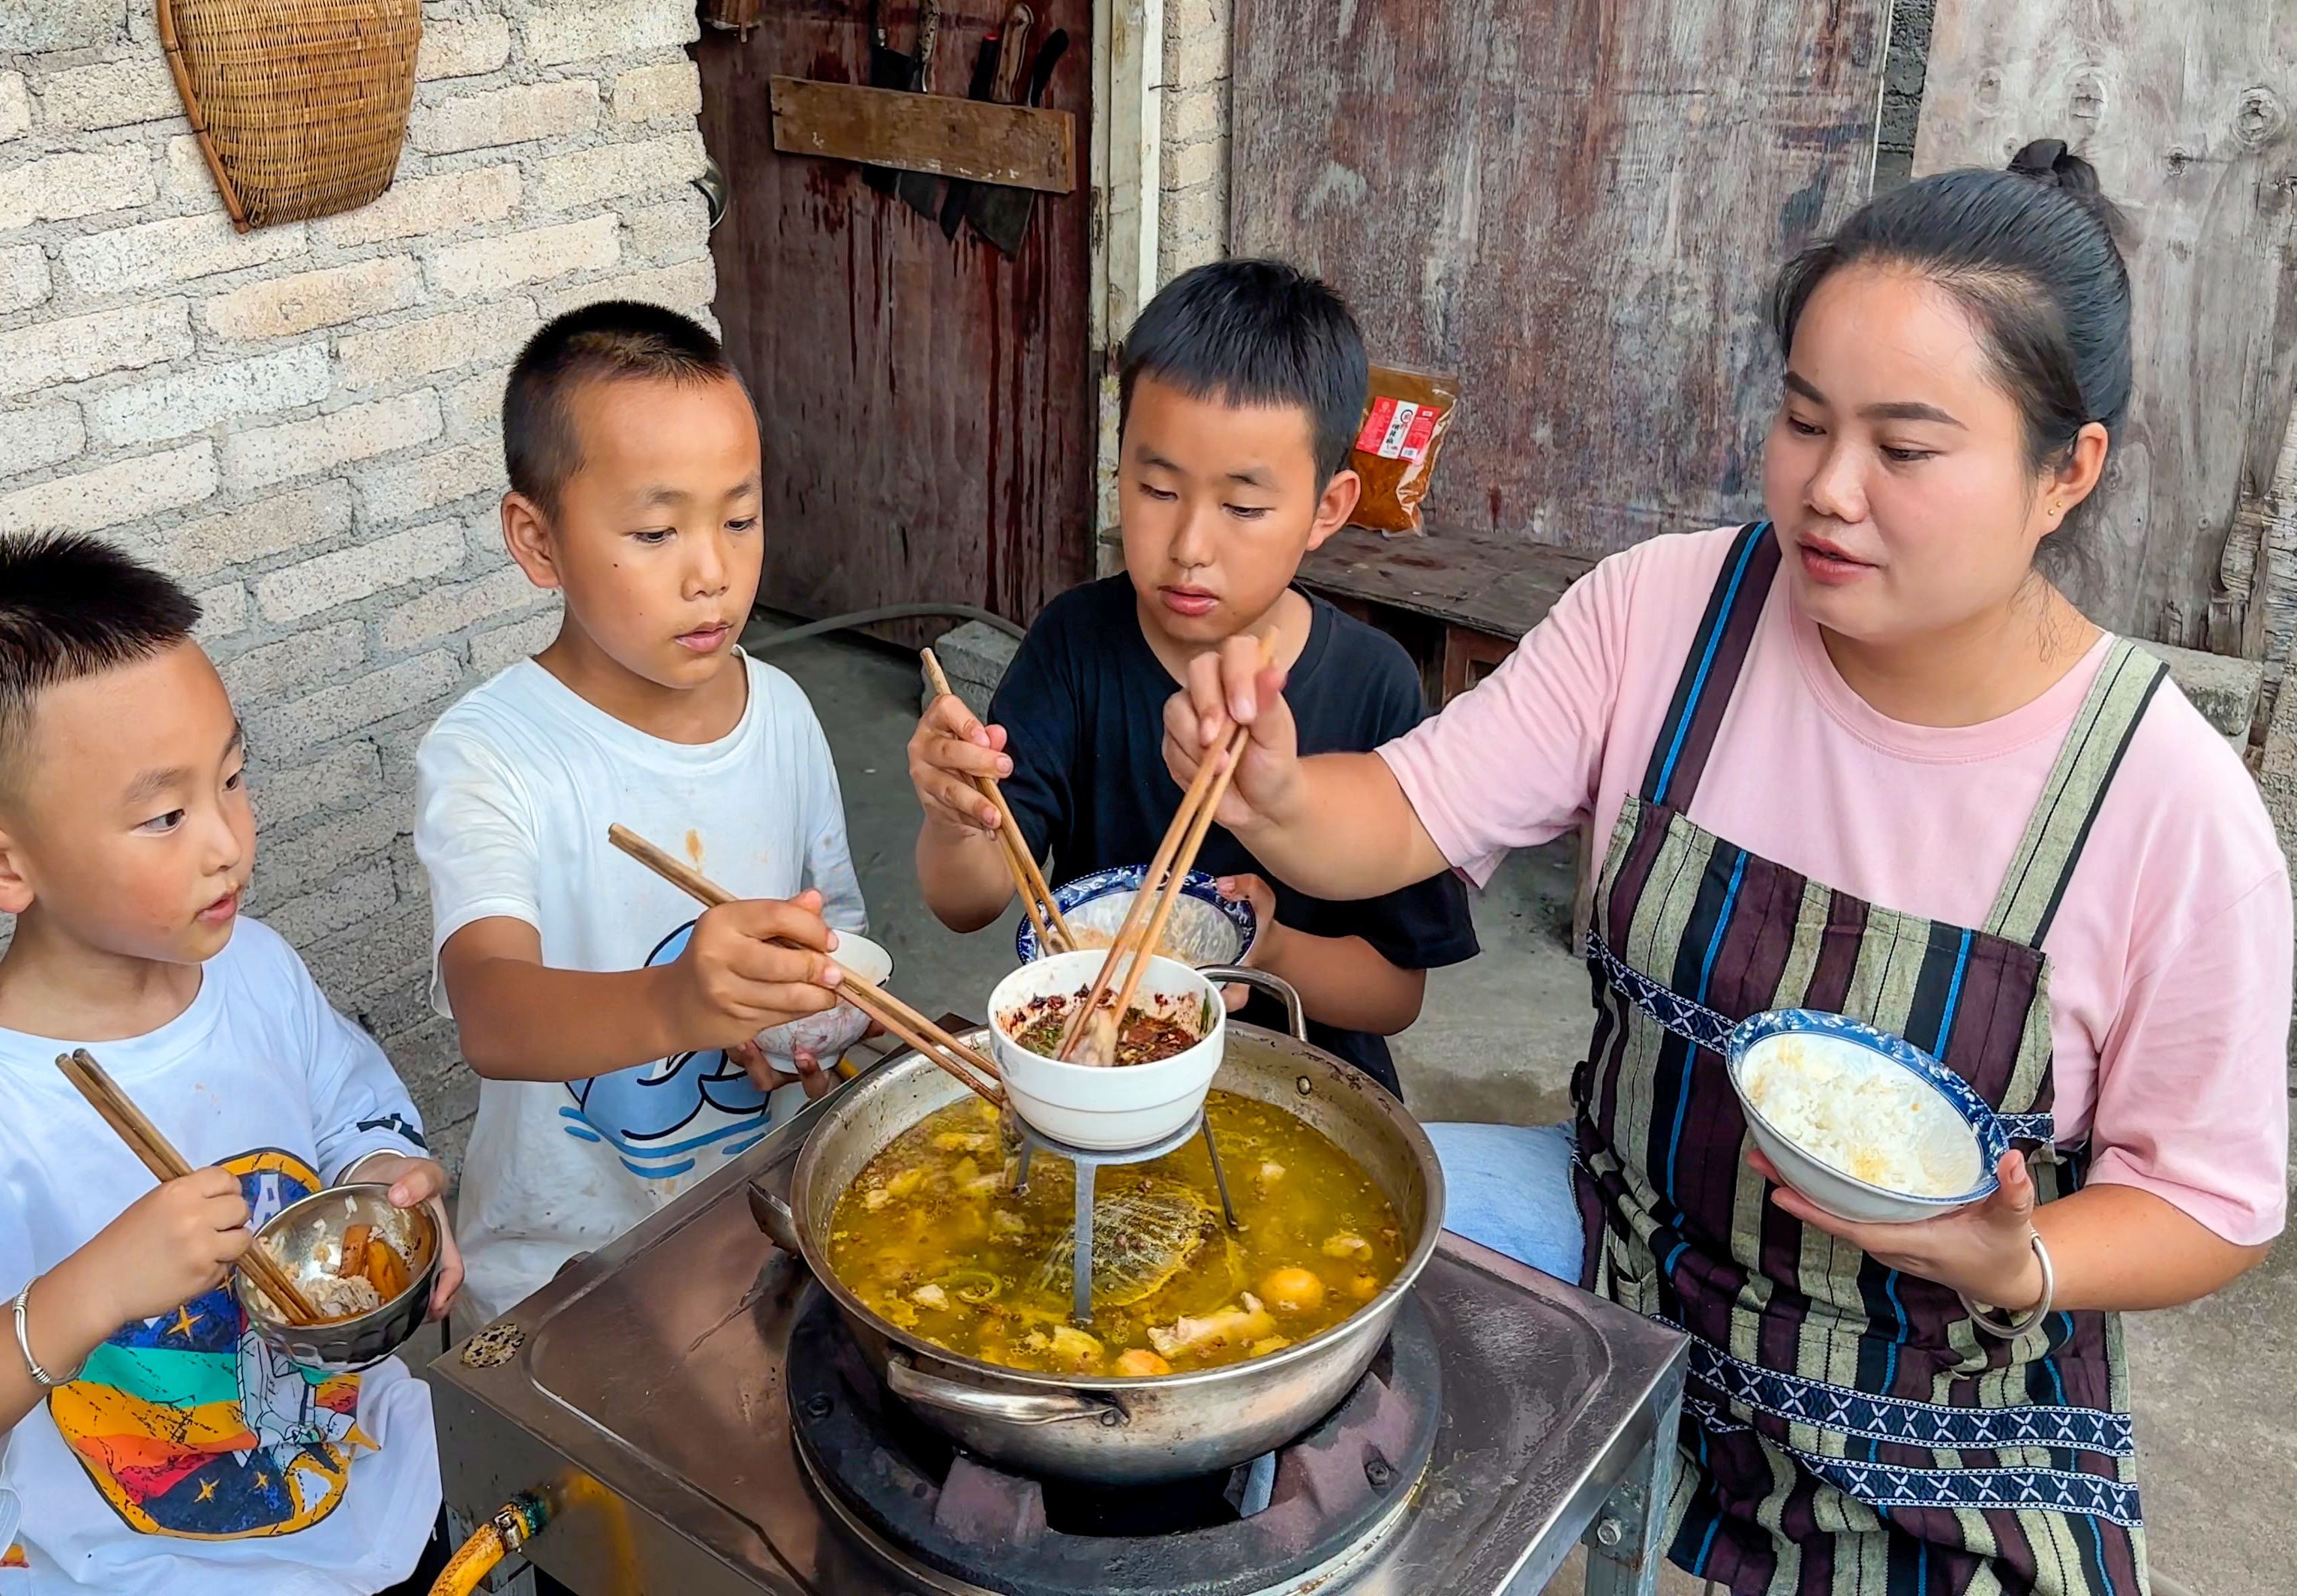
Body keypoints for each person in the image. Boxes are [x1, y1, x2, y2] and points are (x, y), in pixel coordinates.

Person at [1164, 145, 2287, 1593]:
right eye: (1801, 419)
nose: (1825, 489)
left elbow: (2206, 1199)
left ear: (2062, 470)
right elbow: (1394, 811)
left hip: (1937, 1387)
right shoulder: (1662, 615)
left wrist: (2021, 1265)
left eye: (1903, 448)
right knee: (1231, 1249)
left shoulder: (2163, 802)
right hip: (1613, 1237)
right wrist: (1267, 786)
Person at [0, 534, 462, 1594]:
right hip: (149, 1568)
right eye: (165, 815)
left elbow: (355, 1110)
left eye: (233, 777)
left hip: (371, 1500)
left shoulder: (252, 969)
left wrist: (381, 1192)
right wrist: (89, 1292)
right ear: (1, 864)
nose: (227, 841)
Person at [910, 260, 1477, 1096]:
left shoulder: (1373, 683)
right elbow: (971, 902)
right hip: (1095, 1067)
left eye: (1242, 507)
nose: (1188, 546)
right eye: (1155, 487)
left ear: (1328, 507)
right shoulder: (1074, 641)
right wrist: (955, 819)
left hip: (1302, 1085)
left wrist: (1270, 950)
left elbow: (1393, 993)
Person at [416, 302, 865, 1334]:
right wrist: (682, 1002)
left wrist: (809, 1008)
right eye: (657, 531)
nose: (709, 570)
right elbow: (493, 1009)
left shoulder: (785, 715)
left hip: (758, 1234)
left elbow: (833, 934)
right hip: (561, 1279)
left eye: (739, 519)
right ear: (539, 540)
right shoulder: (492, 754)